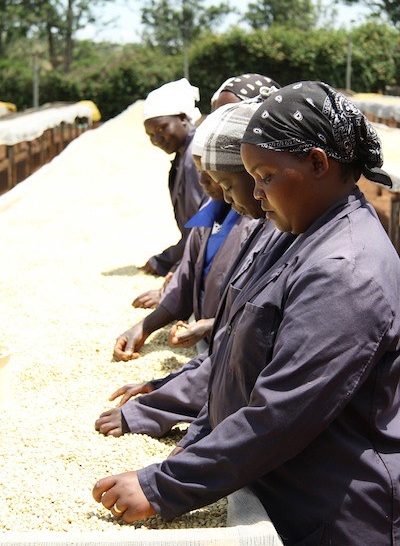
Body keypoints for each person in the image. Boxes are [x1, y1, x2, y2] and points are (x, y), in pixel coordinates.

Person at [93, 81, 400, 546]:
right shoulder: (301, 234)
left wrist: (163, 486)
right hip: (287, 491)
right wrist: (193, 442)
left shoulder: (346, 270)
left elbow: (283, 411)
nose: (255, 196)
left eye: (266, 176)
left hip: (338, 512)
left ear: (318, 163)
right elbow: (235, 357)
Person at [95, 99, 279, 439]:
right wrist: (149, 332)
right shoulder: (217, 210)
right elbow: (191, 274)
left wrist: (160, 405)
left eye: (218, 180)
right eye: (203, 177)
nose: (207, 187)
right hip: (207, 360)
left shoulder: (270, 228)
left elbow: (246, 344)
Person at [133, 72, 281, 309]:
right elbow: (199, 249)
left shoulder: (278, 215)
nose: (221, 129)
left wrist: (166, 266)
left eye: (234, 117)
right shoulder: (226, 201)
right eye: (218, 117)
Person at [139, 78, 208, 277]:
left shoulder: (193, 157)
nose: (156, 139)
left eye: (161, 128)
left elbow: (202, 226)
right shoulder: (182, 154)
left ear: (182, 118)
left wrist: (165, 261)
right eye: (150, 134)